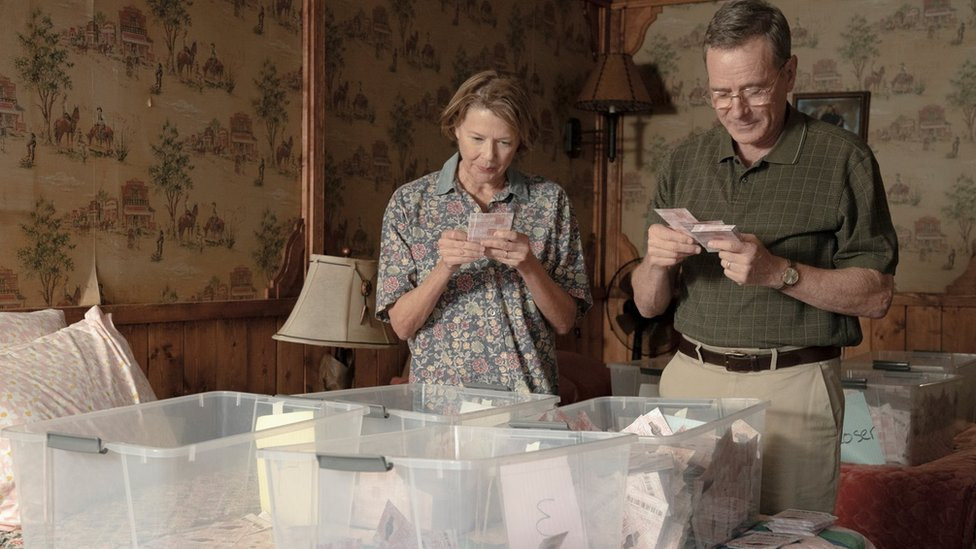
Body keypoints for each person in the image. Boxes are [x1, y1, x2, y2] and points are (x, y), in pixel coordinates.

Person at [631, 0, 898, 514]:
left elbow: (877, 296)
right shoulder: (683, 161)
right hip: (690, 376)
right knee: (677, 532)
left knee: (790, 537)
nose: (737, 109)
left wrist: (779, 272)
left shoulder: (845, 158)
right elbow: (646, 306)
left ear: (789, 72)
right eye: (720, 93)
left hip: (794, 386)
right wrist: (654, 264)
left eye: (754, 89)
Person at [376, 69, 591, 395]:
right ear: (455, 128)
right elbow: (403, 326)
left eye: (504, 142)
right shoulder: (410, 203)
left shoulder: (550, 201)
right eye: (477, 139)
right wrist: (444, 267)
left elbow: (564, 322)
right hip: (441, 406)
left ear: (520, 141)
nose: (489, 156)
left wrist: (529, 266)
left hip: (528, 402)